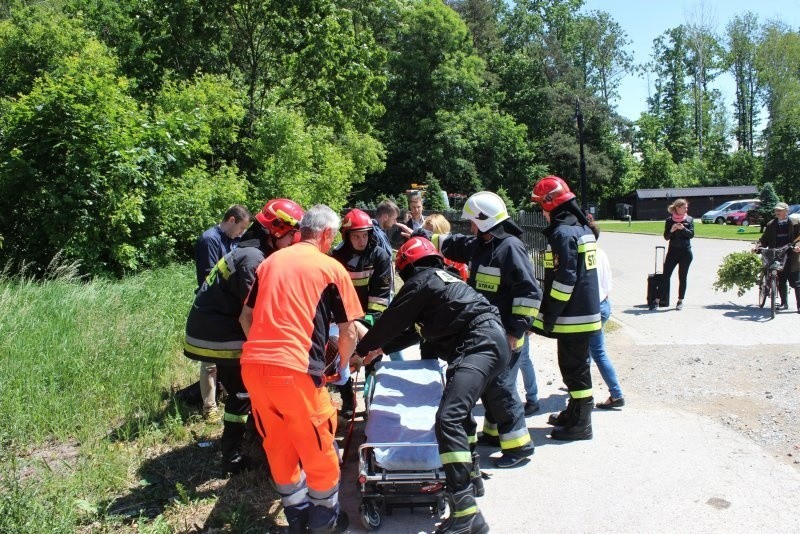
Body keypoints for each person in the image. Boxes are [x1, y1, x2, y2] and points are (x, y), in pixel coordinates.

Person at [355, 236, 507, 534]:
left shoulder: (421, 282)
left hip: (478, 344)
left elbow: (392, 320)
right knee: (459, 413)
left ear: (407, 267)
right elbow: (414, 332)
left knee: (447, 418)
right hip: (488, 341)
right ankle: (472, 476)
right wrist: (381, 349)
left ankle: (466, 512)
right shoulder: (443, 282)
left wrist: (361, 351)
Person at [239, 205, 363, 534]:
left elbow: (245, 318)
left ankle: (297, 517)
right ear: (325, 235)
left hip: (254, 368)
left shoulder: (269, 263)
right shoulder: (330, 268)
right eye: (333, 236)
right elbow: (348, 331)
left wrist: (267, 350)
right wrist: (341, 364)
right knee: (319, 446)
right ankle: (324, 521)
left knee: (277, 444)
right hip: (294, 371)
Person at [184, 199, 304, 474]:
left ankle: (253, 434)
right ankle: (232, 457)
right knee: (242, 392)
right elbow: (254, 315)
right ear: (276, 231)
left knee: (249, 387)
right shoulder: (253, 259)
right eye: (289, 236)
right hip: (219, 335)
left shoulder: (252, 252)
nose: (291, 242)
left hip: (217, 329)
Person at [421, 191, 539, 468]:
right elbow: (456, 245)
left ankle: (520, 447)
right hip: (490, 333)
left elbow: (529, 293)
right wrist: (422, 237)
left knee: (500, 388)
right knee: (489, 386)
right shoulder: (484, 244)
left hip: (506, 335)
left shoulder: (509, 248)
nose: (470, 227)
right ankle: (495, 434)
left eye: (473, 222)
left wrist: (516, 331)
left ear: (484, 221)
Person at [530, 176, 601, 441]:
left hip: (573, 316)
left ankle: (582, 423)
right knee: (574, 365)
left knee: (574, 369)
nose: (540, 210)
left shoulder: (563, 233)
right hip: (583, 312)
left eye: (541, 205)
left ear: (551, 203)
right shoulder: (581, 228)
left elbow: (564, 278)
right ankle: (574, 412)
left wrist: (551, 312)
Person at [331, 208, 392, 418]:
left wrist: (367, 329)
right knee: (343, 359)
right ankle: (348, 401)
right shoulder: (336, 257)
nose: (361, 240)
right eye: (356, 236)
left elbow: (380, 297)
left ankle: (372, 403)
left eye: (365, 235)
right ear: (346, 236)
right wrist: (347, 324)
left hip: (370, 316)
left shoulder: (379, 256)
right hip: (343, 317)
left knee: (372, 358)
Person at [194, 204, 252, 422]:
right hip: (213, 306)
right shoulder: (210, 239)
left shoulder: (233, 239)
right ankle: (209, 407)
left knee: (230, 358)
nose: (242, 233)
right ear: (230, 220)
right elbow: (209, 274)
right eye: (240, 228)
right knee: (210, 361)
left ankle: (230, 396)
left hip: (231, 306)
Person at [587, 223, 625, 409]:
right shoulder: (601, 253)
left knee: (598, 353)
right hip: (604, 304)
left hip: (592, 308)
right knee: (590, 350)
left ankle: (616, 393)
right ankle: (582, 383)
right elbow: (608, 283)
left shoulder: (588, 255)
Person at [755, 202, 800, 312]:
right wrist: (758, 247)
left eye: (779, 210)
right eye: (776, 210)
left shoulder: (795, 223)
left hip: (791, 256)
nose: (777, 212)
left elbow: (798, 238)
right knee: (781, 281)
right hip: (777, 257)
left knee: (797, 282)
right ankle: (784, 303)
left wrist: (798, 246)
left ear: (786, 211)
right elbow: (764, 239)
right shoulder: (771, 224)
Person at [662, 198, 694, 311]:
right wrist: (672, 229)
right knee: (666, 275)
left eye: (686, 207)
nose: (686, 209)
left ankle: (680, 300)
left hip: (685, 252)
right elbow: (666, 237)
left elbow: (691, 235)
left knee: (682, 277)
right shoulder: (669, 220)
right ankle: (658, 299)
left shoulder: (689, 219)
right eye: (684, 207)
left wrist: (683, 228)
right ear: (678, 208)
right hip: (673, 252)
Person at [423, 214, 468, 281]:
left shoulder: (456, 257)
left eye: (433, 236)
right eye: (426, 236)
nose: (429, 239)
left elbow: (463, 280)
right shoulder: (423, 255)